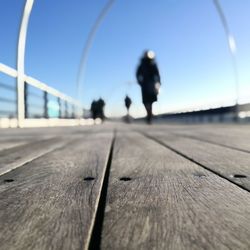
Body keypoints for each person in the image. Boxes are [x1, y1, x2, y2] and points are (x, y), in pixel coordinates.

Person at [136, 50, 161, 124]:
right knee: (146, 101)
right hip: (144, 84)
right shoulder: (142, 64)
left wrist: (159, 83)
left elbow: (157, 74)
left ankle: (149, 116)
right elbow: (137, 74)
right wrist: (140, 82)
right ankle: (149, 114)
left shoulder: (153, 63)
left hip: (152, 84)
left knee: (151, 101)